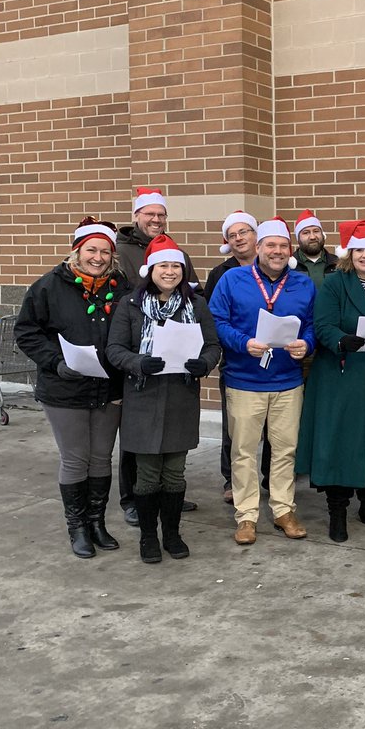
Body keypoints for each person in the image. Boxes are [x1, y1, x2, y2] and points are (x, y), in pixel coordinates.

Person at [15, 218, 132, 558]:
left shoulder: (120, 287)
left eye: (105, 252)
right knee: (76, 458)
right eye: (91, 250)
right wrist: (55, 361)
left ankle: (97, 522)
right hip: (65, 388)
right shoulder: (49, 286)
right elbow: (27, 332)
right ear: (77, 251)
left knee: (100, 459)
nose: (98, 257)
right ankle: (77, 526)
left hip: (109, 388)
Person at [106, 235, 220, 563]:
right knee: (146, 475)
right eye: (163, 265)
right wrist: (138, 363)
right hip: (143, 398)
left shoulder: (196, 304)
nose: (169, 271)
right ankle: (147, 537)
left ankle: (171, 533)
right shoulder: (130, 305)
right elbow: (115, 349)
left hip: (180, 397)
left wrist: (204, 363)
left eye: (175, 265)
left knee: (174, 473)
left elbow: (212, 345)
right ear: (150, 269)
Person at [296, 220, 365, 542]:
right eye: (359, 249)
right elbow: (323, 324)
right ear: (349, 253)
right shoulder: (335, 283)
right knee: (341, 446)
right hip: (343, 377)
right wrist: (340, 339)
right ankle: (337, 512)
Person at [208, 217, 315, 546]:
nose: (277, 251)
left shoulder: (303, 283)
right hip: (244, 380)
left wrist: (306, 344)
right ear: (258, 248)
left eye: (283, 246)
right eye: (271, 245)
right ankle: (247, 515)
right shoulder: (232, 279)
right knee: (243, 452)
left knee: (285, 450)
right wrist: (243, 343)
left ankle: (283, 508)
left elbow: (311, 325)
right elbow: (216, 321)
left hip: (287, 380)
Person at [115, 186, 200, 524]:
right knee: (137, 438)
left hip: (175, 353)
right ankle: (133, 498)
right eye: (150, 214)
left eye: (161, 215)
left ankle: (167, 493)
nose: (156, 219)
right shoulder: (121, 251)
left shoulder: (175, 249)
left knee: (170, 435)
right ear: (137, 215)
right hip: (140, 347)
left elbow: (193, 287)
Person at [203, 212, 259, 505]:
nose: (238, 238)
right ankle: (232, 478)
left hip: (276, 358)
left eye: (244, 232)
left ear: (256, 235)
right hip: (237, 357)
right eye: (233, 234)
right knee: (233, 424)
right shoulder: (220, 273)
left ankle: (269, 477)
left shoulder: (276, 267)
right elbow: (212, 317)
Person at [293, 210, 337, 288]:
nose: (312, 237)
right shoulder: (289, 266)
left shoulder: (337, 263)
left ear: (323, 235)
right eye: (306, 233)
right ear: (298, 238)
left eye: (316, 231)